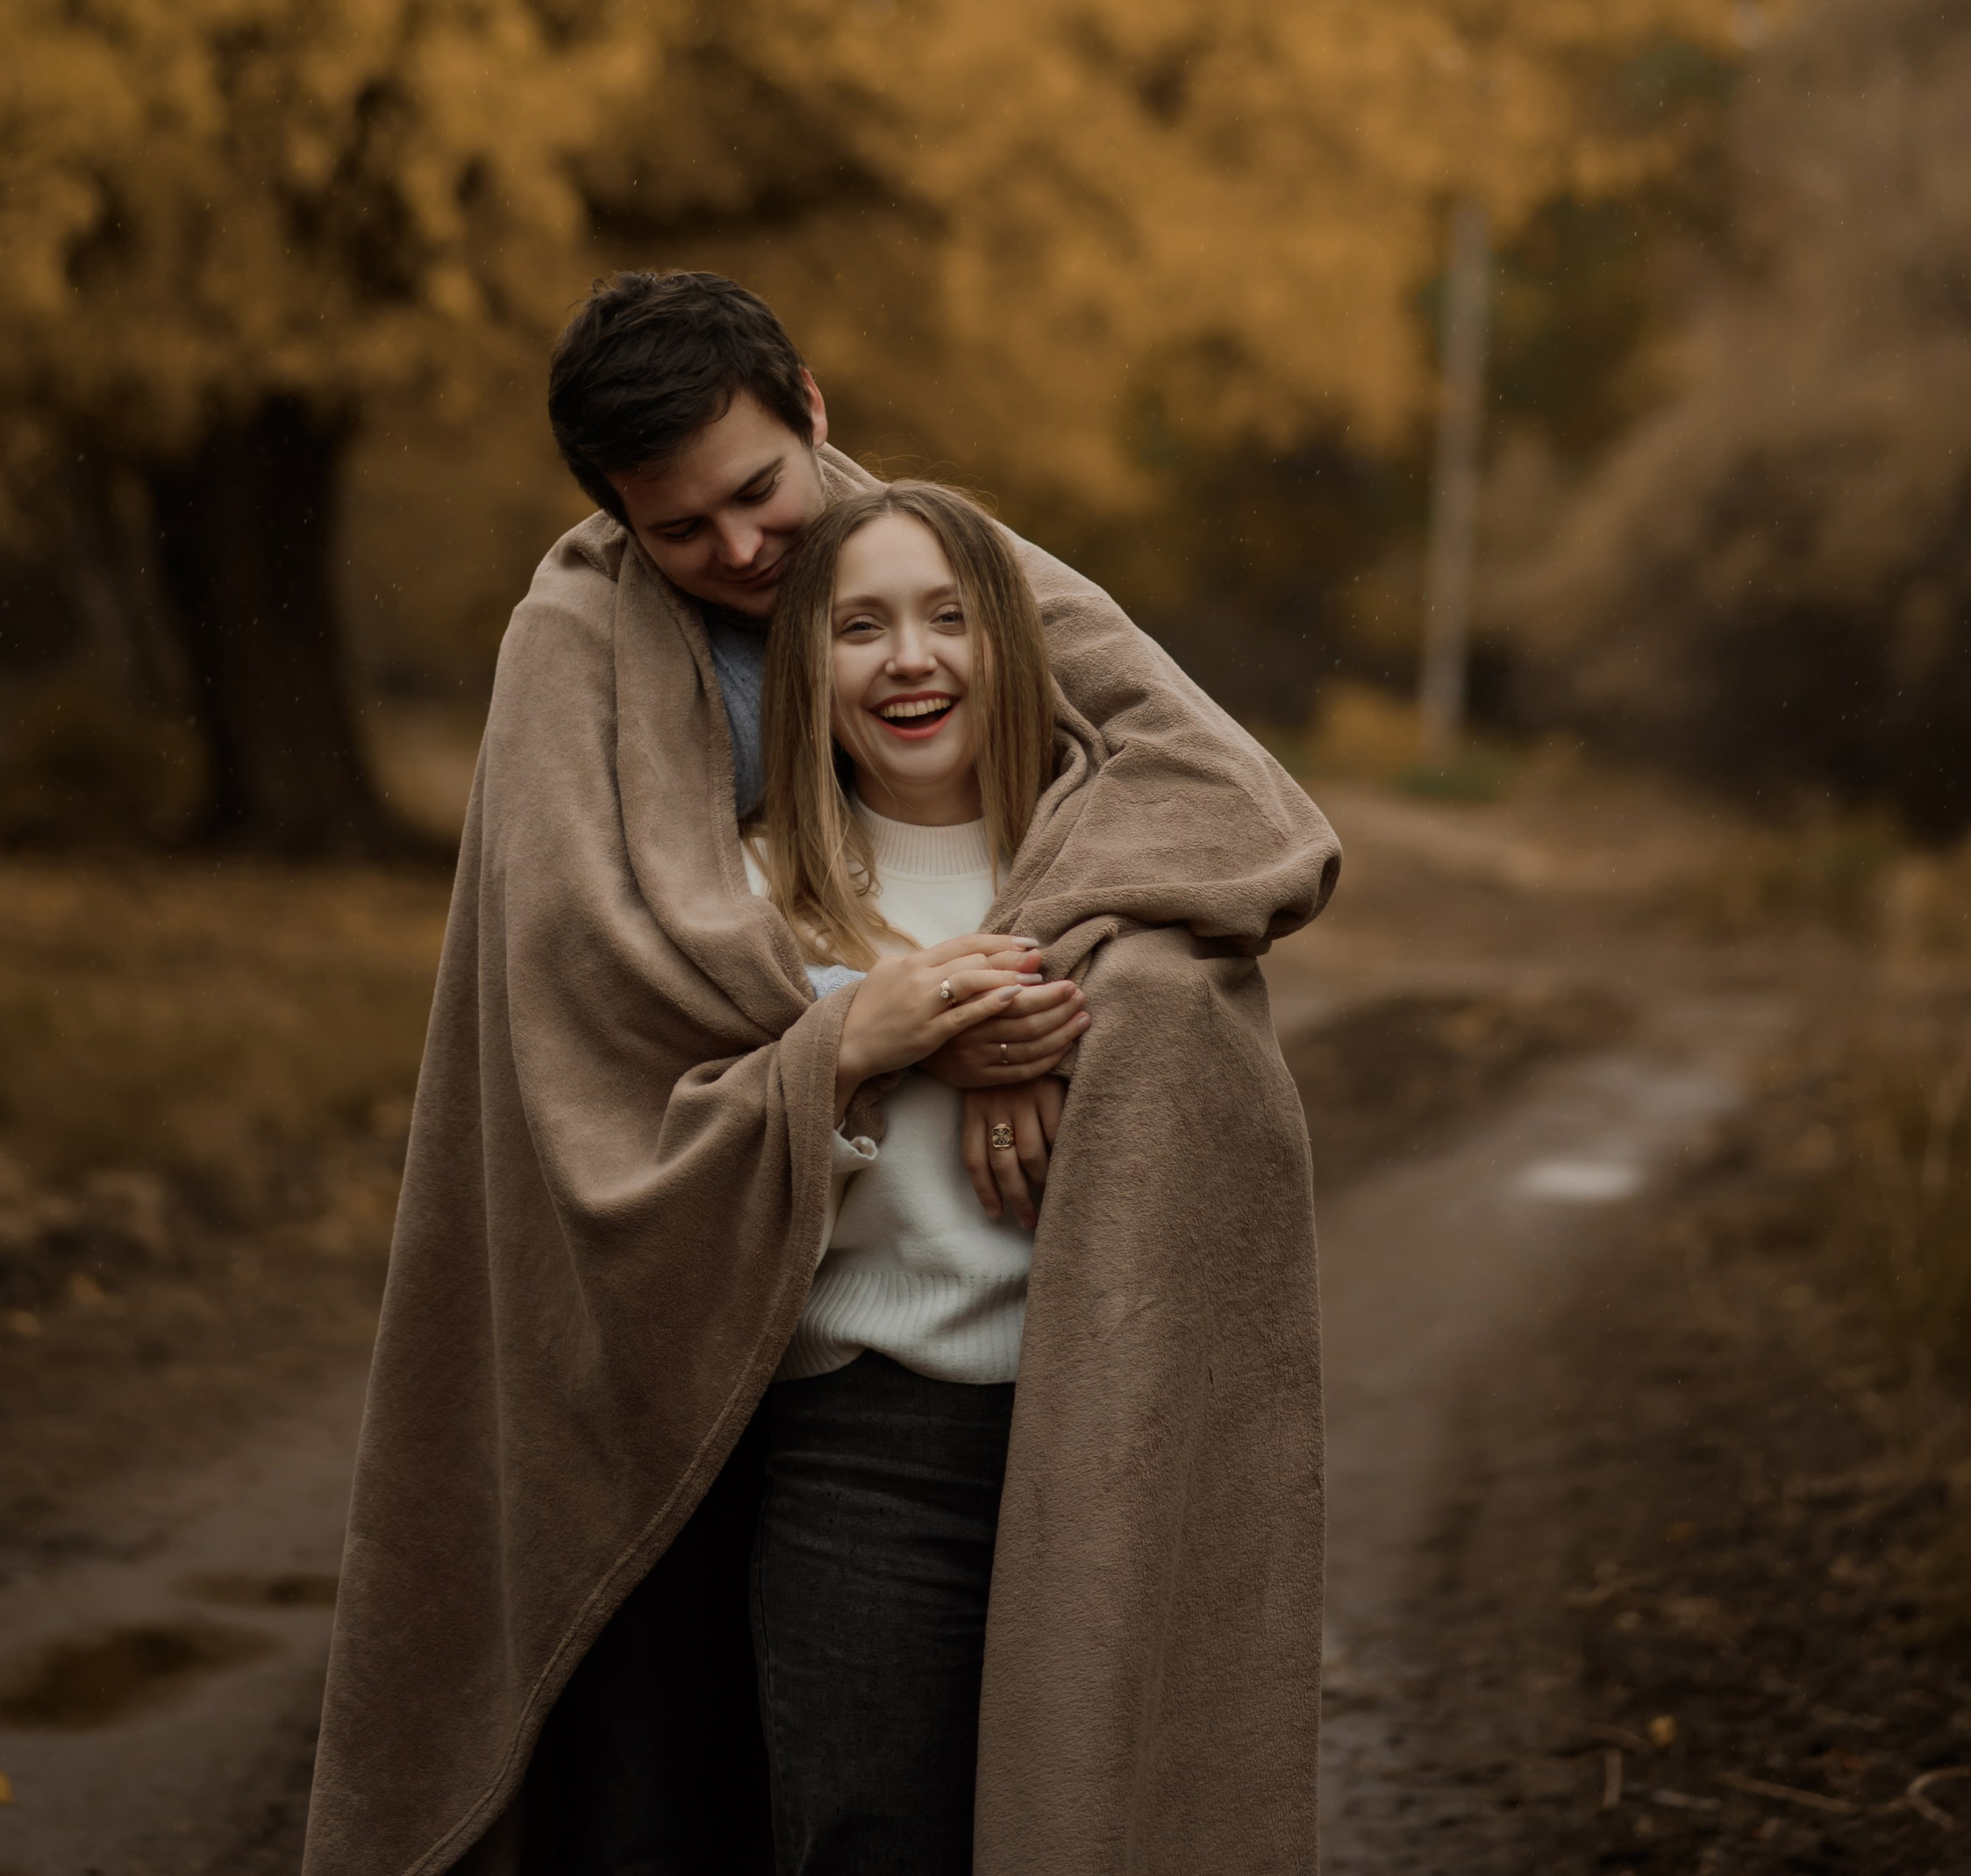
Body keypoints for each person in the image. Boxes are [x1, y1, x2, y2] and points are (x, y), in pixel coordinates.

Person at [304, 273, 1340, 1876]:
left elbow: (1223, 795)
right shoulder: (571, 642)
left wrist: (1014, 988)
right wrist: (882, 1020)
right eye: (677, 530)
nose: (737, 554)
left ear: (811, 409)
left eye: (756, 491)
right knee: (679, 1780)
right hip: (685, 1284)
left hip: (924, 1326)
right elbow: (594, 981)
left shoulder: (922, 561)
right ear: (611, 527)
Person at [746, 480, 1090, 1871]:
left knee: (1087, 1822)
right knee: (866, 1834)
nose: (910, 659)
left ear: (1008, 644)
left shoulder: (1099, 862)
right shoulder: (752, 892)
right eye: (860, 627)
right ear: (804, 670)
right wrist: (868, 1045)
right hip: (858, 1453)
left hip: (1096, 1419)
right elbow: (698, 1179)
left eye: (950, 618)